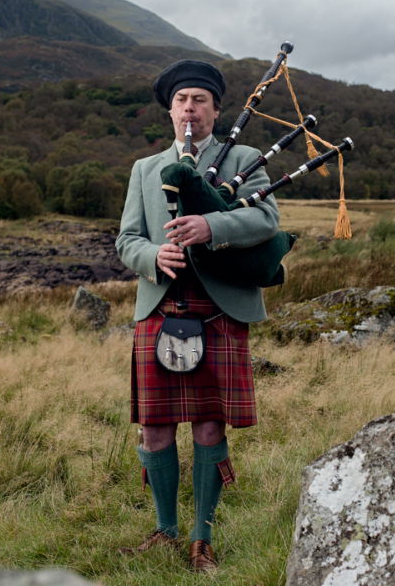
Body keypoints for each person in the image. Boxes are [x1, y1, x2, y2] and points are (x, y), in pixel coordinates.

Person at [115, 59, 279, 572]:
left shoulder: (245, 158)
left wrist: (211, 226)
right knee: (155, 429)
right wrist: (152, 258)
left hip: (218, 309)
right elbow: (126, 239)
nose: (190, 108)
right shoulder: (144, 169)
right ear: (170, 109)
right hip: (161, 307)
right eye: (182, 100)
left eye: (200, 100)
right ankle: (165, 530)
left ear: (215, 109)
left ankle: (201, 538)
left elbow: (266, 218)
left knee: (210, 426)